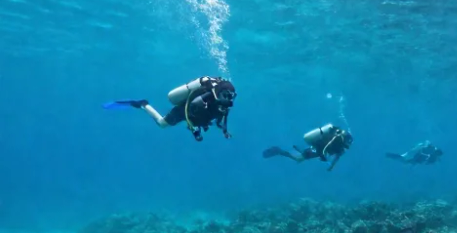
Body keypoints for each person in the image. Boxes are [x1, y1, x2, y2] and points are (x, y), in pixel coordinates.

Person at [104, 76, 236, 142]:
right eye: (225, 97)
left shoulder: (224, 106)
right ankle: (143, 104)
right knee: (162, 124)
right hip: (185, 109)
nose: (227, 102)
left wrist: (225, 130)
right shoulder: (205, 99)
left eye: (230, 98)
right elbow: (192, 109)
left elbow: (223, 117)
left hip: (195, 114)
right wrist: (194, 128)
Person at [263, 124, 353, 172]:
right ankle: (278, 150)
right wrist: (324, 157)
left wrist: (332, 166)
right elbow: (326, 148)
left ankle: (288, 150)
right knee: (299, 158)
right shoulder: (336, 141)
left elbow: (337, 157)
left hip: (317, 149)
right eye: (346, 145)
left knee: (300, 157)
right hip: (318, 148)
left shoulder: (340, 146)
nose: (346, 147)